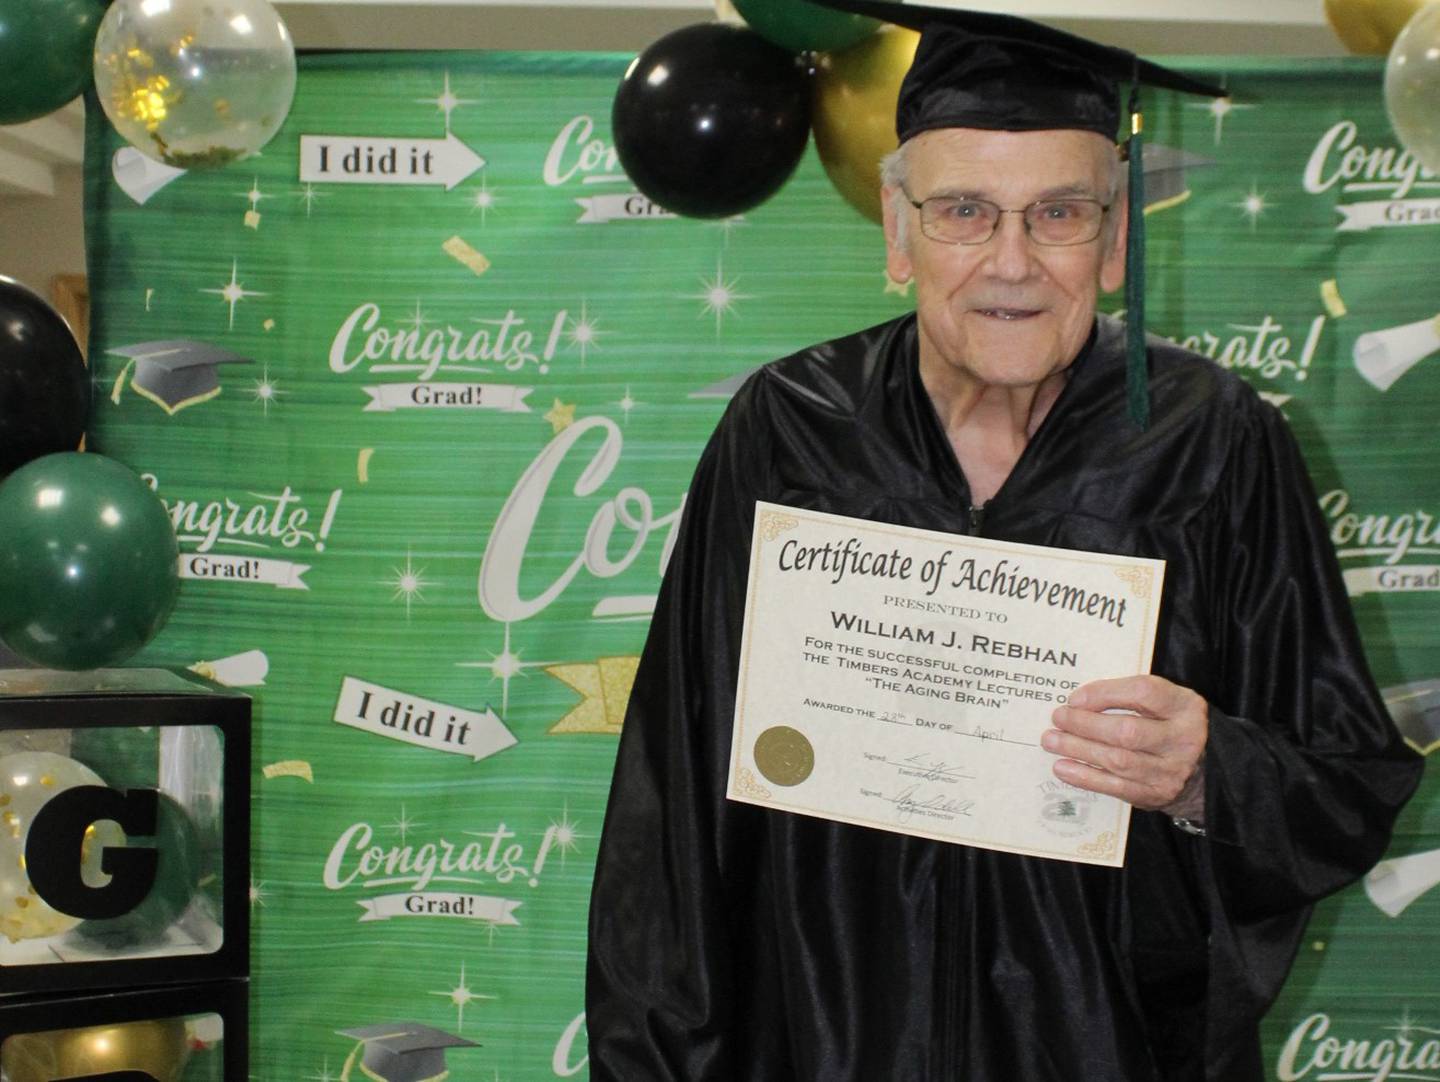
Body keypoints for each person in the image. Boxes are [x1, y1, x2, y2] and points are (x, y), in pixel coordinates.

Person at [586, 6, 1424, 1080]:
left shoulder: (1214, 443)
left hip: (1104, 1046)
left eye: (1060, 212)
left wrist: (1210, 769)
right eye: (966, 211)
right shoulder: (787, 430)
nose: (1013, 262)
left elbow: (1345, 784)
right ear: (898, 230)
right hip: (824, 1041)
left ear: (1117, 238)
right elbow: (675, 802)